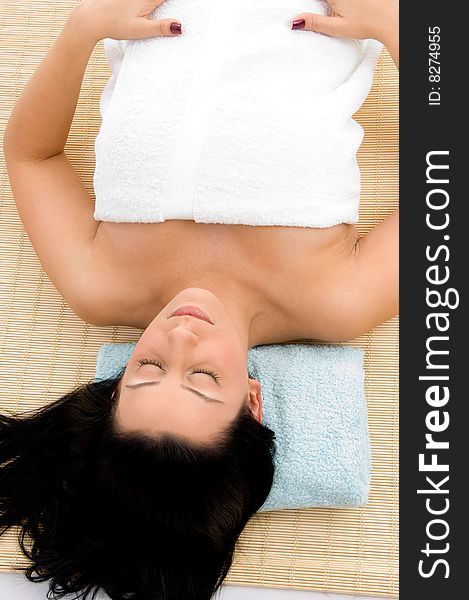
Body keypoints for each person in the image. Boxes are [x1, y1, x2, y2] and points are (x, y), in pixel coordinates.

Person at [1, 1, 399, 599]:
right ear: (255, 404)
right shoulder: (337, 300)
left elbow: (32, 155)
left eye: (148, 369)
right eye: (204, 378)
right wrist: (403, 29)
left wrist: (82, 29)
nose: (180, 337)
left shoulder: (99, 282)